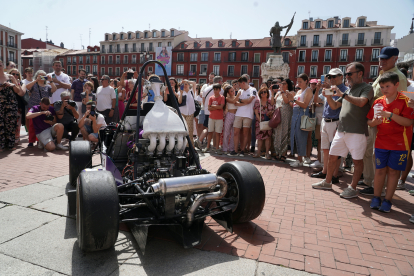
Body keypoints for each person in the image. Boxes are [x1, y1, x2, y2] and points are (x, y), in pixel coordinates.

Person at [312, 62, 374, 198]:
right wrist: (328, 96)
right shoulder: (347, 90)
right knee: (332, 156)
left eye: (349, 73)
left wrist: (343, 94)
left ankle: (352, 188)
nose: (347, 76)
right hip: (342, 129)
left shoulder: (366, 88)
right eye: (346, 74)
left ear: (360, 73)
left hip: (357, 131)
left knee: (358, 161)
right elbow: (334, 106)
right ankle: (327, 182)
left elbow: (362, 102)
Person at [359, 47, 408, 194]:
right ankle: (370, 181)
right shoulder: (382, 75)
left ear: (396, 59)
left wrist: (390, 120)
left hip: (386, 125)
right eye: (381, 58)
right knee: (369, 152)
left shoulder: (398, 77)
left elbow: (402, 101)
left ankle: (377, 187)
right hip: (375, 120)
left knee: (378, 157)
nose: (382, 61)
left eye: (386, 58)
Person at [366, 72, 414, 212]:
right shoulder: (378, 101)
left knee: (393, 172)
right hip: (381, 142)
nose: (384, 89)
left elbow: (409, 122)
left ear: (396, 85)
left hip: (400, 143)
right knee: (380, 171)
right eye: (382, 86)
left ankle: (388, 200)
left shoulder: (406, 101)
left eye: (387, 86)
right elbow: (369, 121)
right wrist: (374, 122)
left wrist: (390, 115)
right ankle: (376, 198)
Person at [311, 69, 346, 184]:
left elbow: (336, 107)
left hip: (335, 122)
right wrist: (318, 89)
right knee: (325, 149)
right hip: (325, 121)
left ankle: (334, 175)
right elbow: (316, 100)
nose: (331, 79)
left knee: (335, 150)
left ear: (341, 76)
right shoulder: (329, 88)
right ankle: (325, 171)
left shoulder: (345, 90)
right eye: (330, 77)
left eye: (334, 77)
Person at [286, 74, 313, 167]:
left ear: (306, 81)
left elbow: (305, 105)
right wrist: (289, 98)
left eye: (300, 81)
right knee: (294, 135)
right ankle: (299, 159)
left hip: (302, 113)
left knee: (301, 136)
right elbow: (293, 104)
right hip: (295, 113)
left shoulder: (308, 90)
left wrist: (293, 99)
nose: (299, 83)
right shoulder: (299, 91)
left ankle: (300, 160)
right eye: (298, 81)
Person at [27, 70, 57, 147]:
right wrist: (36, 80)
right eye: (40, 75)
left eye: (43, 75)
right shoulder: (34, 84)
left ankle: (39, 140)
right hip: (34, 106)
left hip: (44, 108)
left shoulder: (48, 86)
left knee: (42, 124)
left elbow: (54, 89)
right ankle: (31, 140)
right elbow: (27, 87)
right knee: (32, 125)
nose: (41, 77)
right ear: (36, 76)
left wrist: (51, 81)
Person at [0, 59, 25, 151]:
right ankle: (1, 145)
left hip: (11, 103)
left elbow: (18, 91)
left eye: (0, 64)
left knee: (10, 123)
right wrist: (2, 86)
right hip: (0, 103)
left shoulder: (10, 77)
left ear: (3, 65)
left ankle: (10, 144)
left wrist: (13, 85)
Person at [228, 76, 256, 156]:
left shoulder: (253, 90)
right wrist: (241, 99)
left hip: (248, 114)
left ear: (243, 83)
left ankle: (243, 150)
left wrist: (240, 101)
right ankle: (235, 150)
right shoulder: (240, 91)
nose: (239, 86)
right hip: (238, 114)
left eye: (240, 84)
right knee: (236, 132)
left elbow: (250, 100)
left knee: (245, 133)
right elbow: (234, 102)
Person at [198, 76, 223, 149]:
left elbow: (203, 100)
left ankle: (201, 141)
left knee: (208, 128)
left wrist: (207, 108)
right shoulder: (220, 90)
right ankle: (213, 145)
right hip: (216, 113)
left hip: (207, 111)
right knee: (214, 130)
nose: (222, 83)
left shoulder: (206, 88)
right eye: (221, 81)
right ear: (219, 82)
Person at [272, 79, 294, 161]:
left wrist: (282, 92)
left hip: (286, 116)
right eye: (281, 83)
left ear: (288, 84)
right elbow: (273, 102)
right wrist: (272, 92)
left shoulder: (291, 93)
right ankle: (278, 153)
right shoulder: (278, 93)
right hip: (278, 115)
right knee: (277, 134)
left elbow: (286, 101)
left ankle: (283, 154)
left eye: (284, 83)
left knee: (284, 134)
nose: (282, 85)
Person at [194, 73, 215, 148]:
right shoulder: (205, 86)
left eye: (212, 77)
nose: (211, 79)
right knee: (200, 125)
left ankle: (206, 141)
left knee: (208, 127)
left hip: (212, 109)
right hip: (203, 108)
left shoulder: (216, 87)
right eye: (210, 77)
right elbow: (200, 94)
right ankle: (200, 140)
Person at [202, 83, 225, 153]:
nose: (215, 91)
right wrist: (217, 106)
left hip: (219, 118)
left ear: (220, 90)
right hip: (211, 117)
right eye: (214, 89)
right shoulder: (211, 97)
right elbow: (209, 108)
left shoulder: (222, 97)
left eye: (216, 89)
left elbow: (221, 107)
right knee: (210, 132)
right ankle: (208, 147)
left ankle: (217, 148)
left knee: (218, 133)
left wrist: (213, 106)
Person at [253, 87, 274, 159]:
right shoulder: (257, 101)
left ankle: (267, 153)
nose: (263, 93)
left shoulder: (270, 101)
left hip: (268, 120)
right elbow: (256, 111)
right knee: (259, 138)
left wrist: (270, 113)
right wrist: (260, 121)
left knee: (268, 137)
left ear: (267, 93)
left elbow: (273, 110)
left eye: (265, 92)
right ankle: (258, 152)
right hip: (259, 121)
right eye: (261, 92)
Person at [8, 68, 27, 145]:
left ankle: (15, 140)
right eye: (13, 74)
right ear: (10, 74)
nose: (15, 75)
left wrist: (17, 83)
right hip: (7, 106)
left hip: (18, 107)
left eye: (17, 74)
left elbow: (21, 93)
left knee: (16, 125)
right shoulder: (5, 82)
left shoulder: (22, 83)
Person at [177, 79, 197, 146]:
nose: (185, 85)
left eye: (186, 84)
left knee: (190, 130)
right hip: (182, 113)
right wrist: (181, 92)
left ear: (188, 85)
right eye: (183, 84)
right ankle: (182, 145)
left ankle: (190, 146)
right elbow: (179, 102)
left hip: (190, 113)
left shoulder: (192, 91)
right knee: (182, 130)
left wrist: (186, 81)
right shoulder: (179, 93)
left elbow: (194, 83)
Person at [222, 85, 240, 154]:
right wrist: (239, 94)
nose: (233, 92)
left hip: (237, 115)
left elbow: (238, 103)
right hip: (229, 115)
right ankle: (225, 148)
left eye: (233, 90)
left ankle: (232, 148)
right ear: (228, 93)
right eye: (231, 91)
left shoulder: (236, 97)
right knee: (226, 132)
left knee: (233, 133)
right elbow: (234, 101)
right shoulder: (227, 98)